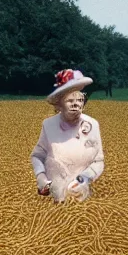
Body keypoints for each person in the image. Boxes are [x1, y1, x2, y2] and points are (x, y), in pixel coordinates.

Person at [30, 69, 105, 202]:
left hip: (81, 190)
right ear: (59, 105)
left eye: (80, 100)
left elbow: (98, 161)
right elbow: (37, 155)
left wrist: (83, 179)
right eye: (70, 101)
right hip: (55, 190)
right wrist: (41, 176)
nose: (76, 104)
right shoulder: (48, 125)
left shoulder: (92, 125)